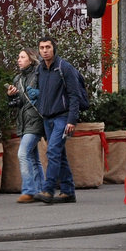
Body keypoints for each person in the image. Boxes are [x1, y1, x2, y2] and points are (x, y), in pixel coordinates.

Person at [34, 36, 83, 204]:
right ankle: (68, 192)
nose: (45, 50)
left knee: (53, 151)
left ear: (54, 48)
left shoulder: (64, 67)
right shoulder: (40, 69)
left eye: (48, 47)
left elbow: (74, 95)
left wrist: (72, 120)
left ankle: (48, 190)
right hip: (47, 118)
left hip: (63, 117)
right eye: (42, 48)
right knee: (59, 155)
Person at [5, 48, 44, 204]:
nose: (19, 60)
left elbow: (46, 94)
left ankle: (28, 191)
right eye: (18, 57)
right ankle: (41, 190)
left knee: (22, 154)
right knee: (34, 158)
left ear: (31, 59)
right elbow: (17, 103)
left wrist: (37, 93)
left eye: (22, 57)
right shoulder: (17, 79)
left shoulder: (39, 74)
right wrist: (11, 95)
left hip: (35, 120)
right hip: (23, 122)